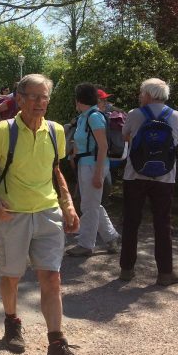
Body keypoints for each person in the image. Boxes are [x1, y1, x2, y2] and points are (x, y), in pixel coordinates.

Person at [0, 74, 92, 355]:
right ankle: (11, 322)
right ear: (19, 99)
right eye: (33, 96)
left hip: (47, 213)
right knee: (11, 277)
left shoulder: (56, 131)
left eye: (44, 97)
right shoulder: (3, 131)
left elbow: (56, 170)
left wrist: (68, 203)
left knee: (52, 278)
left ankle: (57, 348)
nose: (39, 103)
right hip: (13, 215)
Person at [119, 78, 178, 286]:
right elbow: (175, 141)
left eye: (141, 93)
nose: (140, 96)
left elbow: (125, 136)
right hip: (164, 177)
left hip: (135, 175)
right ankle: (165, 273)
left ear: (148, 94)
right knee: (163, 223)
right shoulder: (175, 115)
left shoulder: (135, 114)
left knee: (131, 221)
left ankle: (127, 270)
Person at [65, 83, 120, 257]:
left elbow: (103, 147)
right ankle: (111, 238)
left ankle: (86, 244)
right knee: (92, 204)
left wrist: (98, 174)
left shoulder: (94, 117)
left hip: (93, 166)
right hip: (86, 165)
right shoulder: (84, 117)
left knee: (89, 206)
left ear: (79, 99)